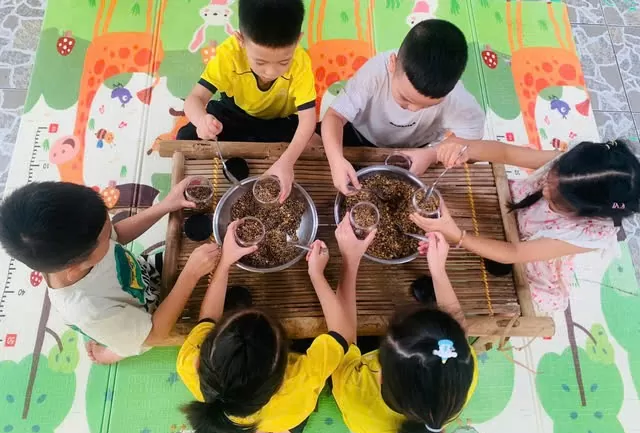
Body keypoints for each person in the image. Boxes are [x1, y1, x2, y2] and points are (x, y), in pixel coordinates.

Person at [177, 218, 373, 433]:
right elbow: (343, 335)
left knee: (251, 420)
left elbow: (207, 318)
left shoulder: (187, 365)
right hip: (289, 413)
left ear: (200, 360)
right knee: (295, 417)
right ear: (286, 368)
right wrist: (317, 275)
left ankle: (253, 427)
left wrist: (226, 262)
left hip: (243, 415)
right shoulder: (302, 380)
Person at [0, 179, 220, 364]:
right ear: (76, 265)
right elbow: (155, 334)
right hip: (147, 323)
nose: (111, 231)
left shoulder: (78, 248)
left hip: (146, 275)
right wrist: (190, 275)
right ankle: (111, 353)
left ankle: (117, 345)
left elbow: (117, 235)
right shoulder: (88, 310)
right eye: (105, 235)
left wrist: (166, 205)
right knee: (129, 341)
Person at [412, 137, 640, 312]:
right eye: (551, 177)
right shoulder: (576, 167)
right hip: (515, 208)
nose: (544, 189)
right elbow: (505, 152)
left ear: (588, 212)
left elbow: (514, 252)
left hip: (529, 249)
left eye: (558, 200)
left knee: (500, 277)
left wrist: (457, 235)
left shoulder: (592, 233)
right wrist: (463, 148)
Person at [331, 230, 477, 433]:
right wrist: (438, 272)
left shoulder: (357, 390)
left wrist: (350, 261)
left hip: (362, 415)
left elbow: (340, 336)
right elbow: (459, 336)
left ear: (379, 375)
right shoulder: (458, 365)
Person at [321, 19, 484, 195]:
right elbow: (334, 116)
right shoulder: (376, 72)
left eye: (426, 106)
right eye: (405, 99)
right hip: (361, 134)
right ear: (393, 63)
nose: (412, 109)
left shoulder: (457, 99)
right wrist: (336, 159)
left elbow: (471, 143)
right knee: (316, 141)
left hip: (416, 150)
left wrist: (433, 155)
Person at [179, 0, 317, 202]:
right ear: (240, 39)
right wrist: (201, 121)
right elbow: (195, 98)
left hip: (277, 121)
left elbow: (307, 119)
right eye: (260, 62)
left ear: (298, 40)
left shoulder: (301, 62)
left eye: (283, 62)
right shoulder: (229, 54)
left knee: (315, 143)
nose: (271, 72)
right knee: (186, 135)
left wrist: (286, 162)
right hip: (235, 112)